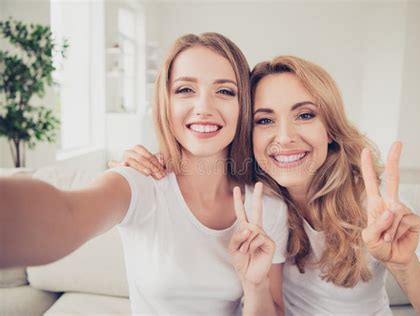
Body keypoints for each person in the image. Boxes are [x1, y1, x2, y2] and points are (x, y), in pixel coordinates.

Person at [117, 55, 420, 315]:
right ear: (247, 132)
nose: (284, 138)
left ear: (330, 127)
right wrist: (147, 161)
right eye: (265, 120)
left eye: (305, 115)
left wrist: (405, 266)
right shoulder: (251, 198)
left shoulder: (374, 201)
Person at [0, 33, 289, 316]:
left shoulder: (266, 209)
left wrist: (254, 285)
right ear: (165, 102)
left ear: (244, 107)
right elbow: (67, 214)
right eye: (185, 90)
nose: (204, 107)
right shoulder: (138, 184)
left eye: (225, 91)